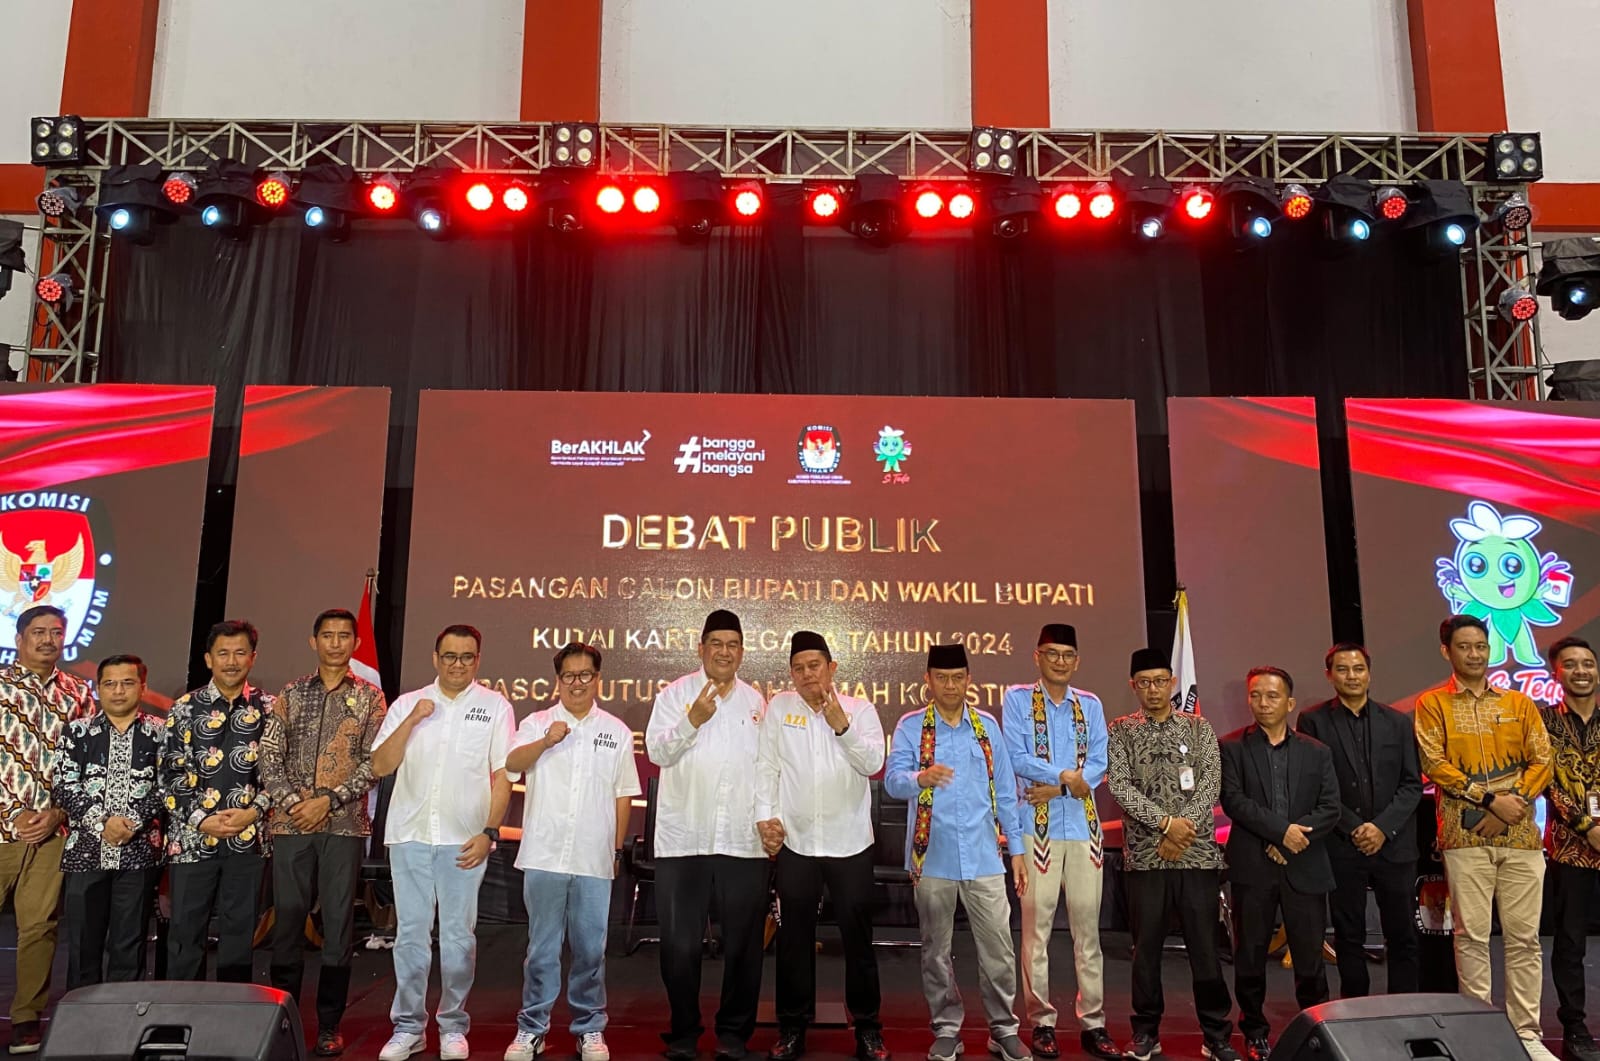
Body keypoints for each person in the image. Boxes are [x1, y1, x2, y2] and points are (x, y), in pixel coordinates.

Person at [1414, 615, 1555, 1061]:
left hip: (1522, 839)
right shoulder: (1433, 704)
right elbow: (1434, 764)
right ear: (1447, 651)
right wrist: (1491, 800)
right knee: (1471, 937)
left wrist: (1514, 803)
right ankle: (1478, 1037)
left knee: (1524, 940)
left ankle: (1526, 1035)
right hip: (1463, 837)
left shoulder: (1520, 703)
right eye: (1464, 646)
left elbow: (1543, 760)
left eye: (1481, 646)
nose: (1474, 654)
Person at [371, 625, 513, 1061]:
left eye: (467, 657)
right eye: (449, 656)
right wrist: (413, 719)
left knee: (458, 939)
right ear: (435, 658)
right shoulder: (408, 704)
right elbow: (380, 764)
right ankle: (408, 1027)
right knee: (411, 936)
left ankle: (453, 1025)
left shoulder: (495, 707)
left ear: (477, 660)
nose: (457, 664)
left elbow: (503, 775)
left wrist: (489, 832)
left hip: (464, 842)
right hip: (410, 836)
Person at [884, 643, 1029, 1061]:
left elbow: (1006, 792)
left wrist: (1017, 850)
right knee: (935, 950)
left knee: (999, 949)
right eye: (941, 678)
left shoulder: (987, 727)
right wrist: (920, 778)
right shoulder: (912, 727)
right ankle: (946, 1028)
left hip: (984, 857)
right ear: (927, 681)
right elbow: (893, 781)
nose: (950, 685)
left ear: (969, 680)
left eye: (957, 678)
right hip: (933, 857)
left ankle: (1003, 1029)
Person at [504, 642, 641, 1061]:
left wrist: (614, 851)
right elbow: (513, 762)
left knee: (590, 950)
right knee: (541, 950)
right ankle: (532, 1028)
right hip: (544, 854)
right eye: (569, 676)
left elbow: (623, 794)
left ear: (598, 679)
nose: (577, 683)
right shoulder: (537, 723)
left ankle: (589, 1027)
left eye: (585, 675)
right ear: (558, 680)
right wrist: (546, 742)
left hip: (593, 858)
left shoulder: (616, 731)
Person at [260, 608, 388, 1057]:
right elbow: (269, 756)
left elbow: (374, 762)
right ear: (313, 642)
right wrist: (294, 803)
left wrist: (327, 801)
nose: (335, 643)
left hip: (344, 825)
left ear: (355, 643)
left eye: (343, 636)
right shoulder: (292, 693)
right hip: (290, 822)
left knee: (337, 925)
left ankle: (330, 1025)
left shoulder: (371, 697)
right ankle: (281, 1021)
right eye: (327, 635)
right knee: (288, 921)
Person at [756, 631, 888, 1061]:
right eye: (799, 668)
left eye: (815, 666)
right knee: (794, 940)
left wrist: (842, 727)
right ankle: (792, 1028)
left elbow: (873, 764)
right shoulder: (780, 708)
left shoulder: (859, 710)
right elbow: (768, 767)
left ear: (832, 668)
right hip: (797, 842)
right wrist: (767, 817)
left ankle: (867, 1029)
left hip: (850, 842)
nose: (807, 674)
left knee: (858, 940)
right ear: (791, 674)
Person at [645, 609, 769, 1061]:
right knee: (680, 946)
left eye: (732, 644)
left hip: (743, 841)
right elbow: (657, 751)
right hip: (685, 840)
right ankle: (683, 1034)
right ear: (700, 648)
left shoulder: (757, 702)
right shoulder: (674, 695)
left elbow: (767, 768)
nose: (724, 652)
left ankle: (734, 1036)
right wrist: (691, 720)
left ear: (742, 652)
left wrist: (769, 819)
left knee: (744, 947)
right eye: (716, 643)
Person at [1106, 647, 1236, 1061]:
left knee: (1205, 948)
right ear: (1134, 686)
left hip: (1196, 855)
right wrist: (1166, 825)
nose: (1153, 689)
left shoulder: (1198, 727)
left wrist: (1181, 831)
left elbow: (1211, 783)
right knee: (1145, 950)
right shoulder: (1121, 730)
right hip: (1146, 856)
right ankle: (1146, 1032)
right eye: (1144, 683)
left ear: (1173, 683)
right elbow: (1120, 786)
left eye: (1160, 681)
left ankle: (1216, 1035)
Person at [1000, 623, 1119, 1061]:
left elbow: (1100, 762)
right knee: (1037, 930)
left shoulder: (1090, 704)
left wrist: (1061, 787)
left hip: (1084, 829)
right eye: (1052, 653)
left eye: (1068, 655)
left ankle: (1094, 1024)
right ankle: (1042, 1023)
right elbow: (1016, 757)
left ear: (1077, 661)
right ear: (1038, 656)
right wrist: (1065, 777)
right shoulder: (1017, 699)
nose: (1060, 661)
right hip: (1037, 828)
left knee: (1089, 931)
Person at [1219, 666, 1340, 1061]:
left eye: (1272, 696)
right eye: (1256, 695)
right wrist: (1280, 833)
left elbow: (1330, 807)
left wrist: (1289, 842)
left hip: (1305, 864)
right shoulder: (1232, 747)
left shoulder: (1316, 751)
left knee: (1310, 959)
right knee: (1250, 956)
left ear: (1289, 703)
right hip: (1253, 865)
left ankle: (1316, 1032)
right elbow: (1235, 802)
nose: (1263, 703)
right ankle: (1254, 1031)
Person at [1296, 643, 1421, 998]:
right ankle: (1355, 1006)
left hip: (1394, 844)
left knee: (1402, 934)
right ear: (1329, 675)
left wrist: (1381, 828)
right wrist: (1355, 828)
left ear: (1369, 672)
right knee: (1348, 934)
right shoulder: (1313, 721)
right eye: (1342, 669)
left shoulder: (1397, 721)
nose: (1351, 676)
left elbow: (1412, 783)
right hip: (1342, 845)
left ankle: (1403, 1007)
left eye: (1358, 669)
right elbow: (1316, 785)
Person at [0, 605, 95, 1054]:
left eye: (56, 632)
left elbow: (90, 763)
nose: (47, 640)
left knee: (39, 927)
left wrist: (58, 813)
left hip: (53, 831)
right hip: (4, 827)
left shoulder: (79, 694)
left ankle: (26, 1019)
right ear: (19, 639)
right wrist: (12, 813)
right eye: (38, 632)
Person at [162, 619, 274, 984]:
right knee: (185, 934)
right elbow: (170, 774)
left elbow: (280, 774)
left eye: (240, 653)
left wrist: (252, 813)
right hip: (192, 841)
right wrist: (201, 819)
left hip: (248, 839)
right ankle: (182, 1011)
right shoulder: (184, 708)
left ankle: (232, 1012)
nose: (231, 661)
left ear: (253, 658)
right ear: (209, 659)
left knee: (240, 934)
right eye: (223, 653)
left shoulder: (271, 709)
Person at [52, 654, 165, 990]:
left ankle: (123, 1017)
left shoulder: (161, 732)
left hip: (138, 854)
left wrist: (131, 821)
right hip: (86, 853)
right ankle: (81, 1017)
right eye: (110, 684)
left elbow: (169, 784)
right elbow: (63, 785)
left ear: (142, 687)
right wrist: (103, 823)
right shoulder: (78, 731)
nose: (118, 691)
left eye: (127, 683)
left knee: (129, 945)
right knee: (83, 946)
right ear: (98, 688)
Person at [1538, 636, 1600, 1061]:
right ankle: (1575, 1028)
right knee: (1571, 941)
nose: (1582, 671)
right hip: (1569, 847)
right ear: (1555, 673)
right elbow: (1546, 780)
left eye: (1588, 663)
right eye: (1571, 664)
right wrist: (1586, 827)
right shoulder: (1543, 722)